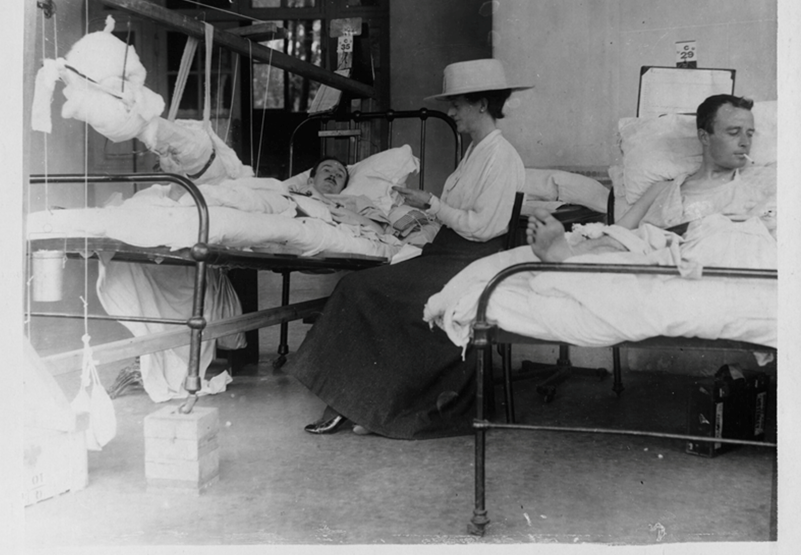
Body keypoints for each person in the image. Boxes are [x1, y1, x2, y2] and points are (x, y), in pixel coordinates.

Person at [284, 58, 531, 438]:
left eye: (458, 104)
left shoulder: (500, 156)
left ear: (482, 104)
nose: (451, 112)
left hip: (471, 261)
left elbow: (482, 227)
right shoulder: (476, 151)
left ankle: (358, 404)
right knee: (367, 286)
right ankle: (362, 402)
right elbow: (457, 217)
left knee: (362, 289)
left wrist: (431, 203)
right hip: (447, 253)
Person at [527, 94, 766, 262]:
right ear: (704, 137)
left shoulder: (753, 190)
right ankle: (568, 255)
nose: (745, 142)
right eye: (734, 132)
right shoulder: (663, 189)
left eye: (750, 134)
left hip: (701, 265)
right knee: (627, 240)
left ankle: (567, 257)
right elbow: (617, 232)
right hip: (646, 260)